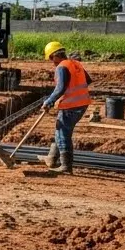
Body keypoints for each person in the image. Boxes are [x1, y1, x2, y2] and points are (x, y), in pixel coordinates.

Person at [40, 41, 92, 174]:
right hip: (82, 103)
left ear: (55, 56)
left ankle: (66, 166)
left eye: (51, 58)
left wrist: (49, 101)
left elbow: (60, 88)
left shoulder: (61, 67)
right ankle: (52, 158)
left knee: (63, 133)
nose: (52, 62)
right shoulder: (75, 63)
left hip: (71, 105)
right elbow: (88, 80)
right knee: (61, 130)